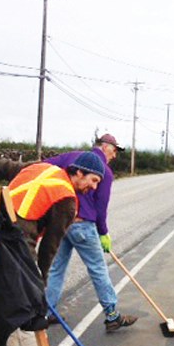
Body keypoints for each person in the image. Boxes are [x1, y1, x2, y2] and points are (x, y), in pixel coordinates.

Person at [0, 151, 105, 346]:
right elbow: (49, 247)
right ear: (77, 172)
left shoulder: (39, 168)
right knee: (29, 312)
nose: (93, 187)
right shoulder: (67, 200)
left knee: (9, 305)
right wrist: (40, 285)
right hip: (15, 246)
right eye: (92, 180)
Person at [45, 133, 138, 333]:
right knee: (98, 268)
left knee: (57, 268)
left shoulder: (72, 157)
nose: (115, 155)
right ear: (105, 147)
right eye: (114, 150)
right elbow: (101, 207)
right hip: (83, 226)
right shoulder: (104, 171)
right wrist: (103, 232)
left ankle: (46, 310)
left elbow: (43, 166)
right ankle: (112, 315)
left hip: (62, 222)